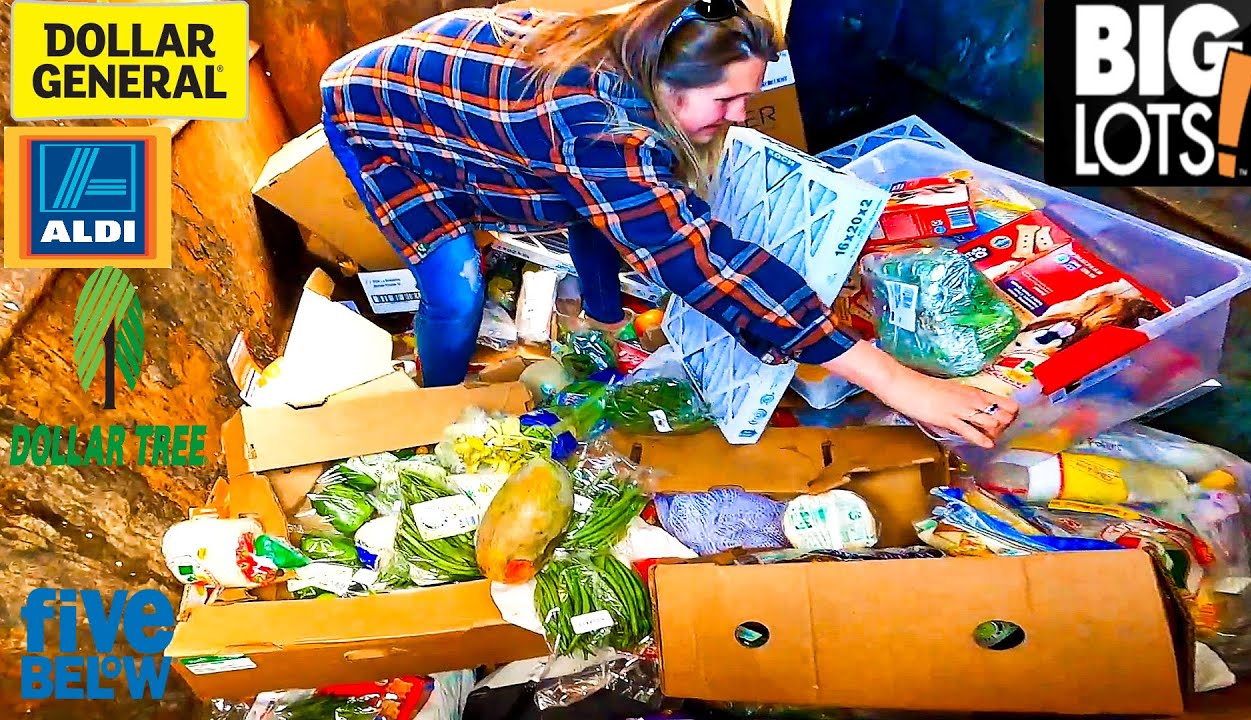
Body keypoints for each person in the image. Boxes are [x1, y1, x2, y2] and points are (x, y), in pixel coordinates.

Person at [319, 0, 1018, 448]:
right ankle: (431, 414)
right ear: (666, 84)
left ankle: (600, 318)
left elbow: (609, 210)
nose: (742, 116)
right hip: (377, 109)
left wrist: (608, 318)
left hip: (458, 84)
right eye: (728, 99)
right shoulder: (593, 123)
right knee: (456, 284)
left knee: (586, 206)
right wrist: (895, 381)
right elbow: (704, 263)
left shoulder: (640, 47)